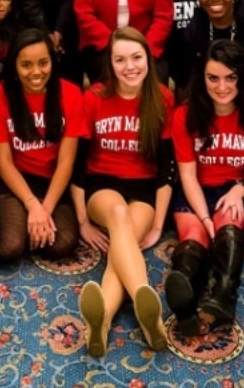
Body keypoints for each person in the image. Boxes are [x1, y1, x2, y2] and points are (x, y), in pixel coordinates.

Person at [74, 27, 174, 356]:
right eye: (120, 59)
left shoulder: (163, 98)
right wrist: (83, 222)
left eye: (136, 57)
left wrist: (159, 223)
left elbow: (164, 170)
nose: (129, 66)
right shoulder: (94, 97)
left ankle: (100, 323)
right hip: (102, 185)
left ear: (149, 59)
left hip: (143, 188)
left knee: (122, 241)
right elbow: (78, 164)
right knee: (118, 216)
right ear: (110, 63)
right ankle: (148, 305)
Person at [166, 40, 244, 336]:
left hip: (234, 188)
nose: (221, 86)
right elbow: (187, 175)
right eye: (213, 78)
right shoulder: (184, 115)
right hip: (196, 188)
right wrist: (205, 218)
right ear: (203, 79)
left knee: (229, 222)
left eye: (230, 77)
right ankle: (183, 301)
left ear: (241, 77)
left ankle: (224, 296)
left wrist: (240, 189)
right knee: (194, 235)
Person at [0, 29, 86, 262]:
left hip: (50, 180)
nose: (36, 72)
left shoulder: (71, 94)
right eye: (26, 65)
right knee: (10, 246)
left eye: (43, 63)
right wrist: (32, 204)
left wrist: (45, 208)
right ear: (14, 66)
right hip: (9, 177)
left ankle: (30, 216)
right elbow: (4, 162)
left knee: (62, 244)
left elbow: (66, 161)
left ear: (53, 61)